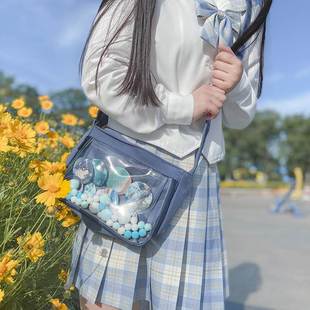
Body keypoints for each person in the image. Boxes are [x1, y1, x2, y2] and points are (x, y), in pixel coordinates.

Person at [64, 0, 272, 309]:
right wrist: (184, 106)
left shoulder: (251, 8)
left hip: (195, 177)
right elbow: (100, 73)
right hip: (127, 163)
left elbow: (241, 115)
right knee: (105, 303)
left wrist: (237, 83)